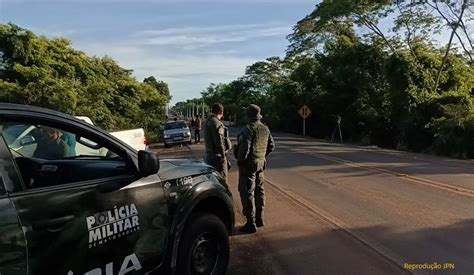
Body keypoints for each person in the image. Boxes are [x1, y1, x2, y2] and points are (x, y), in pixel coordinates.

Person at [235, 104, 275, 233]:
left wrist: (240, 160)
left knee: (246, 192)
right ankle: (260, 218)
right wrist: (262, 157)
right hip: (260, 164)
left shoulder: (248, 129)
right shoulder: (265, 128)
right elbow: (271, 146)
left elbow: (244, 151)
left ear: (249, 117)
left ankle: (251, 223)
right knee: (260, 191)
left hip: (249, 165)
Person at [203, 103, 227, 180]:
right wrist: (223, 157)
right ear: (221, 112)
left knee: (212, 181)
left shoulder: (207, 121)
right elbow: (219, 142)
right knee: (222, 181)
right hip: (217, 157)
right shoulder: (217, 123)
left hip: (208, 156)